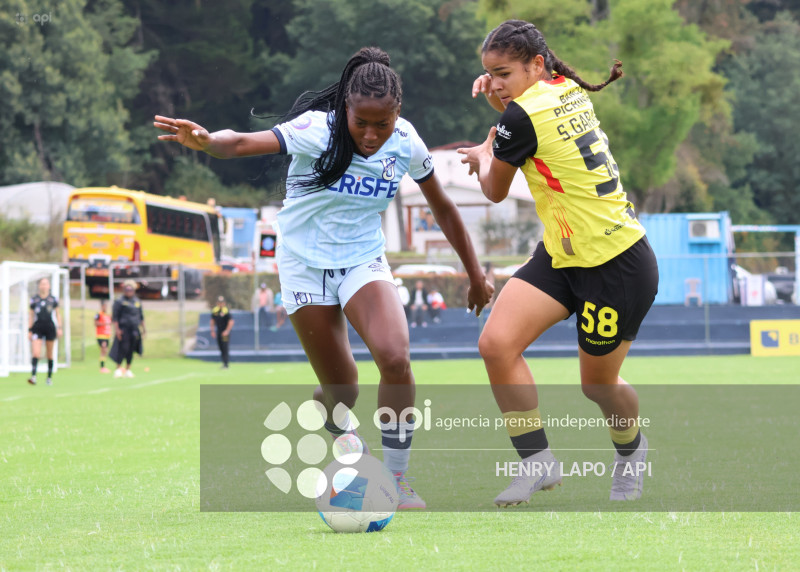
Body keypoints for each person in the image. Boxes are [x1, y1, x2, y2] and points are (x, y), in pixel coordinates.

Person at [155, 46, 493, 509]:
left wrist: (475, 275)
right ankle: (334, 419)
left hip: (362, 261)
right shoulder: (318, 128)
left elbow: (444, 208)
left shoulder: (407, 142)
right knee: (343, 388)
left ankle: (396, 479)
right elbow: (241, 143)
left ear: (398, 114)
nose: (372, 135)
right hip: (302, 264)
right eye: (362, 123)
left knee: (395, 358)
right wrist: (208, 142)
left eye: (383, 124)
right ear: (345, 110)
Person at [458, 20, 659, 506]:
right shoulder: (564, 87)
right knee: (496, 344)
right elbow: (520, 123)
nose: (496, 84)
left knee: (598, 387)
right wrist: (500, 105)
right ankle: (536, 462)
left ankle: (632, 452)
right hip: (563, 253)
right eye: (490, 74)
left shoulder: (518, 119)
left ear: (536, 65)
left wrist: (483, 154)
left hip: (616, 264)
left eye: (504, 73)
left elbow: (494, 189)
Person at [27, 277, 61, 386]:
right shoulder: (34, 300)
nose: (44, 286)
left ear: (49, 286)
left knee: (49, 354)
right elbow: (31, 315)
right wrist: (29, 330)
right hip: (37, 327)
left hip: (50, 327)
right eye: (42, 284)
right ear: (39, 286)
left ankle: (49, 378)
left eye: (46, 284)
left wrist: (59, 327)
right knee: (36, 352)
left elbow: (58, 314)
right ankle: (33, 376)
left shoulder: (53, 299)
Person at [109, 280, 145, 378]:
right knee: (122, 349)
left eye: (131, 290)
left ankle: (128, 369)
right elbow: (115, 317)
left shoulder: (137, 301)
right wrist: (117, 330)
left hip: (134, 329)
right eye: (127, 289)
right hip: (123, 329)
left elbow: (141, 316)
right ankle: (118, 368)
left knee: (131, 350)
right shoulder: (119, 301)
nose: (129, 291)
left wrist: (143, 329)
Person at [210, 295, 234, 369]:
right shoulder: (215, 311)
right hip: (218, 331)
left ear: (224, 303)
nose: (220, 304)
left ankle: (226, 364)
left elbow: (231, 321)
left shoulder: (226, 311)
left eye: (222, 302)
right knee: (220, 347)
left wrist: (227, 331)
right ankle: (223, 363)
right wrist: (212, 330)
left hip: (225, 333)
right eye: (219, 302)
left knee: (225, 347)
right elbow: (212, 321)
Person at [95, 299, 112, 373]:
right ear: (102, 306)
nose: (105, 307)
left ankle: (103, 366)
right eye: (104, 306)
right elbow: (96, 323)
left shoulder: (107, 315)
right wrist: (105, 324)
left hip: (107, 336)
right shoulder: (98, 314)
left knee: (105, 351)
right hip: (101, 336)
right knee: (103, 350)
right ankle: (102, 367)